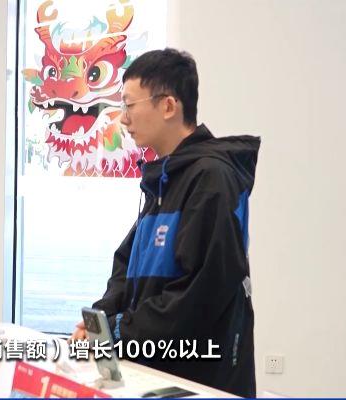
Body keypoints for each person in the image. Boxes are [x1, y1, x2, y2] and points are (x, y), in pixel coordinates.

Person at [70, 48, 259, 397]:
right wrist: (100, 323)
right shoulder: (163, 180)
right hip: (156, 375)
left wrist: (119, 332)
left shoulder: (211, 178)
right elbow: (127, 267)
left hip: (198, 380)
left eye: (129, 105)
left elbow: (199, 293)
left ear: (169, 106)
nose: (123, 119)